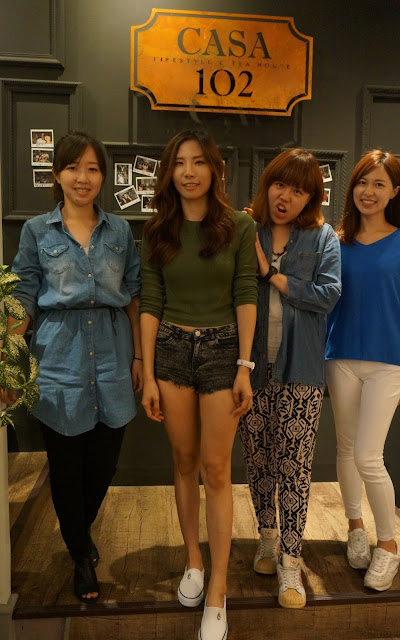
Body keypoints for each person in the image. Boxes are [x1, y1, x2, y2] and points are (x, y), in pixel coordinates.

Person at [3, 130, 143, 603]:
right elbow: (23, 293)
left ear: (103, 176)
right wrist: (10, 356)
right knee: (65, 468)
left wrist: (139, 357)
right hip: (58, 357)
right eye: (72, 168)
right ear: (57, 175)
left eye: (92, 169)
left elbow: (135, 294)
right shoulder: (37, 231)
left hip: (113, 355)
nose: (83, 178)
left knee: (102, 467)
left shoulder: (119, 231)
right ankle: (81, 556)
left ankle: (78, 533)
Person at [140, 129, 257, 640]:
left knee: (217, 469)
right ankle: (193, 560)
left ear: (214, 169)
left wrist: (244, 365)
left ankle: (218, 590)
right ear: (170, 173)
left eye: (198, 162)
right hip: (169, 349)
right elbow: (150, 301)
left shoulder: (239, 226)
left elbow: (246, 292)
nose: (189, 172)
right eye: (179, 163)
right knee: (184, 461)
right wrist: (147, 373)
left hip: (222, 351)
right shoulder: (157, 230)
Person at [238, 148, 341, 609]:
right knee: (258, 457)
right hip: (251, 367)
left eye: (298, 190)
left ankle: (291, 561)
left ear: (311, 198)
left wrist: (273, 275)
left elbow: (329, 295)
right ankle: (267, 536)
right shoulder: (248, 230)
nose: (286, 196)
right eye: (280, 184)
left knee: (295, 467)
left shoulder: (323, 237)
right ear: (267, 185)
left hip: (302, 369)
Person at [326, 150, 400, 591]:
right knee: (346, 449)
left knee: (368, 455)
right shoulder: (335, 239)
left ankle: (389, 545)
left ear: (394, 192)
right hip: (341, 355)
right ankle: (355, 526)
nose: (369, 191)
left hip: (389, 361)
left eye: (379, 184)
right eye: (363, 182)